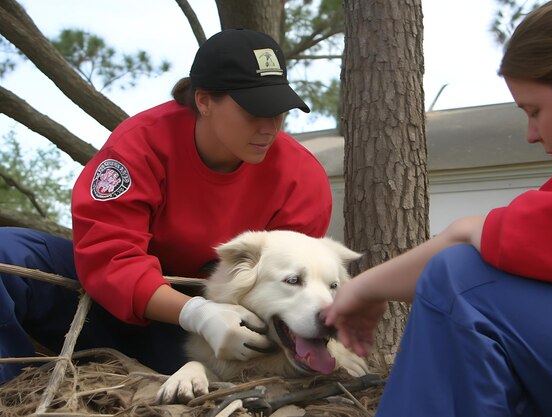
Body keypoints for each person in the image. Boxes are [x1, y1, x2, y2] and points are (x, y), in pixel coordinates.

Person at [324, 1, 552, 416]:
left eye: (534, 111)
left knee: (461, 277)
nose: (531, 135)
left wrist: (362, 287)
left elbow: (467, 235)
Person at [0, 28, 332, 384]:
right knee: (8, 252)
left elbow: (286, 296)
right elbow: (108, 255)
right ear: (204, 101)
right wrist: (195, 311)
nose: (270, 127)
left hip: (209, 337)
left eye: (279, 111)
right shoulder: (139, 145)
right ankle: (11, 388)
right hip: (105, 304)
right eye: (254, 111)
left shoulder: (302, 180)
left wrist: (215, 318)